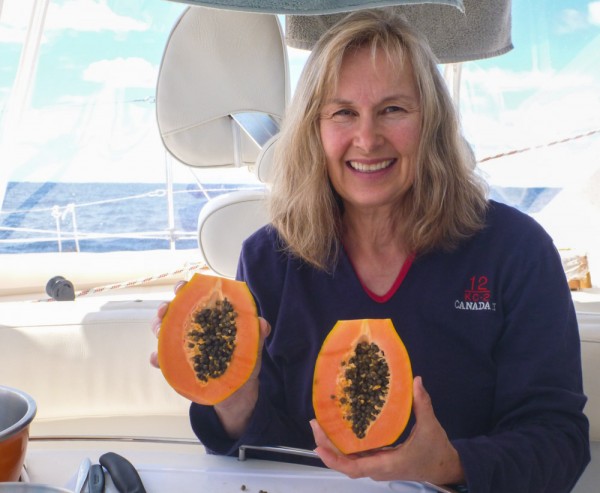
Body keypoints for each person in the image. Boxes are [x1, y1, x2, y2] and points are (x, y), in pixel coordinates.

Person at [151, 9, 590, 492]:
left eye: (393, 110)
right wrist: (234, 399)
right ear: (314, 131)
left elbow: (559, 440)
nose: (367, 138)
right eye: (343, 113)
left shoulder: (516, 252)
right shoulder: (268, 259)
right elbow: (266, 447)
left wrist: (447, 465)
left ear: (432, 124)